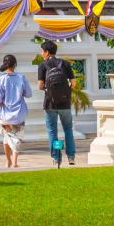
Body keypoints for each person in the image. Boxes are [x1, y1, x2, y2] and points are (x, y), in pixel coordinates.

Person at [36, 39, 77, 168]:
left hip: (50, 104)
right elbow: (74, 83)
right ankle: (70, 156)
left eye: (42, 51)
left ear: (47, 52)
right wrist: (66, 90)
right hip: (65, 103)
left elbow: (40, 86)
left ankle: (56, 158)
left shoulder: (42, 66)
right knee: (68, 129)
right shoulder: (65, 64)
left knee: (52, 131)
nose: (42, 53)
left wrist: (49, 90)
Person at [0, 54, 31, 168]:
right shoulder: (21, 78)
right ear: (15, 64)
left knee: (6, 137)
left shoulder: (1, 79)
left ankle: (8, 161)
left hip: (5, 113)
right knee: (17, 136)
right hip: (19, 113)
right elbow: (28, 94)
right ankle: (15, 162)